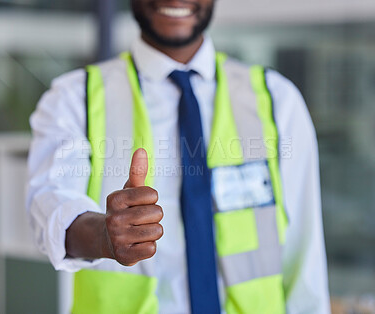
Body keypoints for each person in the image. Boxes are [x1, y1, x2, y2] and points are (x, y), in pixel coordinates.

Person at [26, 0, 330, 313]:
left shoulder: (277, 99)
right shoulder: (74, 99)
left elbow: (304, 256)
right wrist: (102, 236)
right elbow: (50, 205)